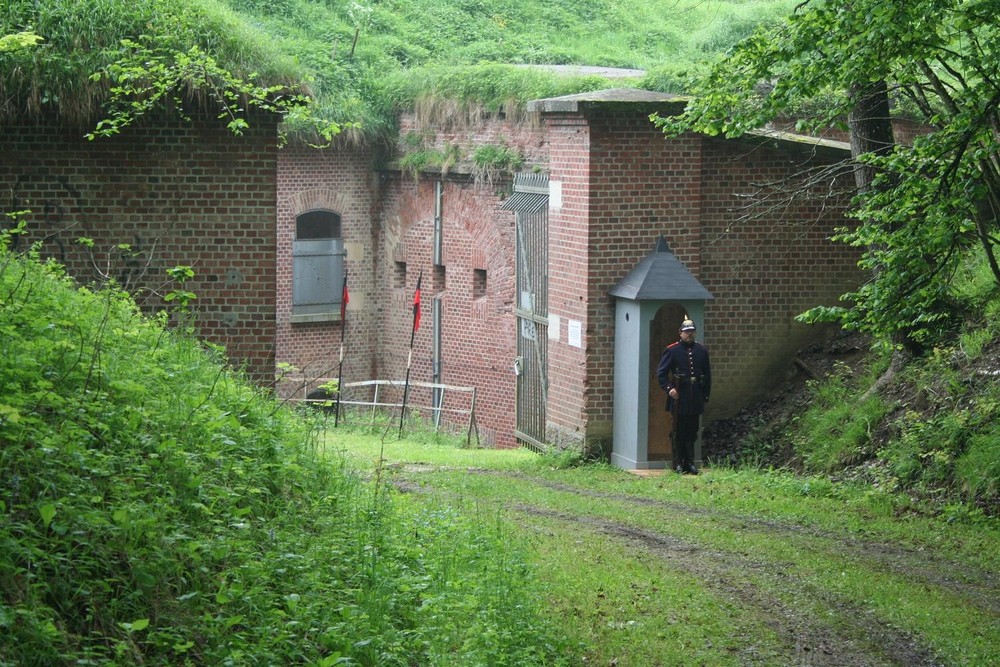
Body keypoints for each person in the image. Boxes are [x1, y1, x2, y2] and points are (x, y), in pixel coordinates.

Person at [656, 317, 711, 474]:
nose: (689, 334)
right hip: (680, 396)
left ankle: (690, 462)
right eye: (687, 332)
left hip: (695, 396)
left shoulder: (701, 350)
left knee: (692, 430)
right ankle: (679, 462)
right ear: (680, 333)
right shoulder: (672, 350)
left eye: (692, 331)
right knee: (679, 430)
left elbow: (707, 374)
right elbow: (661, 373)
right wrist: (669, 388)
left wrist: (705, 395)